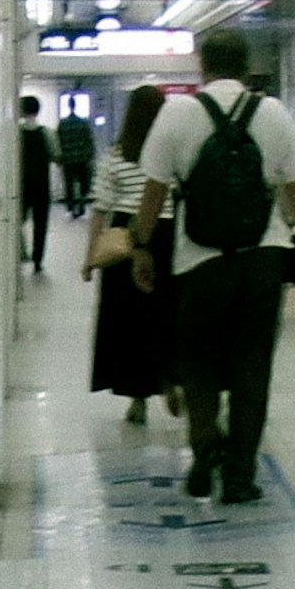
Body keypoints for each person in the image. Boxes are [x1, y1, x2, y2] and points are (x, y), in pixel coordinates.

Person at [135, 27, 295, 506]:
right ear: (246, 66)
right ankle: (239, 477)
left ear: (203, 65)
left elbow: (153, 190)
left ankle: (204, 449)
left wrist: (141, 249)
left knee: (197, 362)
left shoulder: (177, 113)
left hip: (199, 262)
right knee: (251, 369)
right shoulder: (274, 112)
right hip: (264, 259)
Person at [86, 82, 177, 427]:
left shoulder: (115, 155)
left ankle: (137, 399)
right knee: (167, 313)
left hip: (125, 238)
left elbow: (100, 208)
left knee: (129, 322)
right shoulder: (172, 151)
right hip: (167, 234)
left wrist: (90, 256)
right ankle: (171, 379)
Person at [16, 95, 56, 270]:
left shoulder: (15, 133)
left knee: (16, 221)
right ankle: (38, 260)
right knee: (41, 224)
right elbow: (56, 155)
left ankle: (20, 252)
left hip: (21, 184)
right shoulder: (47, 133)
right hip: (42, 185)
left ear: (22, 110)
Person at [54, 101, 97, 216]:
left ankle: (72, 207)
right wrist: (91, 156)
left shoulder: (62, 124)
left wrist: (58, 158)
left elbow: (58, 141)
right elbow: (89, 140)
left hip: (68, 159)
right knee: (84, 183)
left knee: (69, 184)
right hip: (82, 158)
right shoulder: (83, 123)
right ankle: (82, 201)